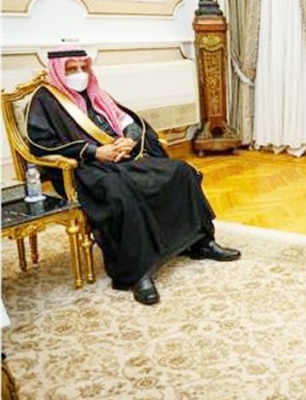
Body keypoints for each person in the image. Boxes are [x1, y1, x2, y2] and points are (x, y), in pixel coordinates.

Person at [26, 49, 240, 305]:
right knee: (120, 192)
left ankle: (200, 242)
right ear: (58, 70)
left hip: (121, 158)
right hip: (85, 168)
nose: (80, 74)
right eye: (71, 69)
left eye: (83, 68)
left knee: (180, 172)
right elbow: (40, 143)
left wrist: (130, 139)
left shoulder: (96, 92)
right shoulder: (45, 100)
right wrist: (94, 152)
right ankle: (137, 272)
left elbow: (128, 121)